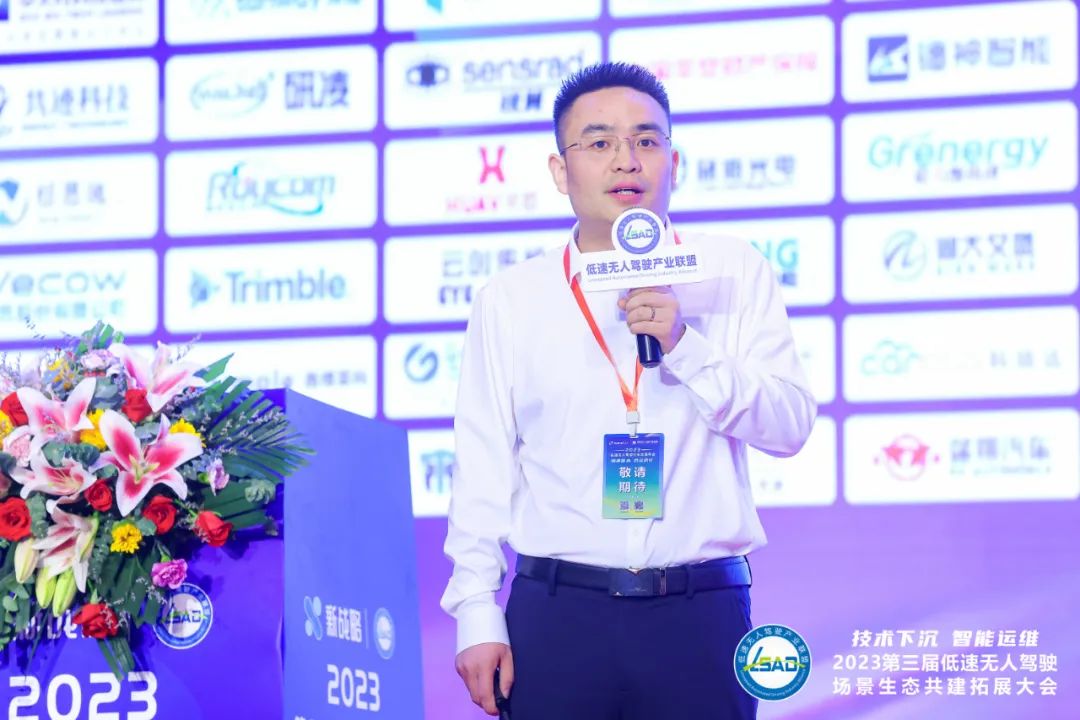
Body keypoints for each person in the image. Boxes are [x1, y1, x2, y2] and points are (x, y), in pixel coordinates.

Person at [441, 61, 816, 719]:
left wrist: (686, 346)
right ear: (561, 170)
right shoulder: (512, 298)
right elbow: (482, 465)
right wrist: (476, 610)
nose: (626, 160)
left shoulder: (732, 270)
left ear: (675, 162)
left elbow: (789, 425)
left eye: (646, 140)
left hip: (701, 613)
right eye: (600, 142)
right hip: (559, 613)